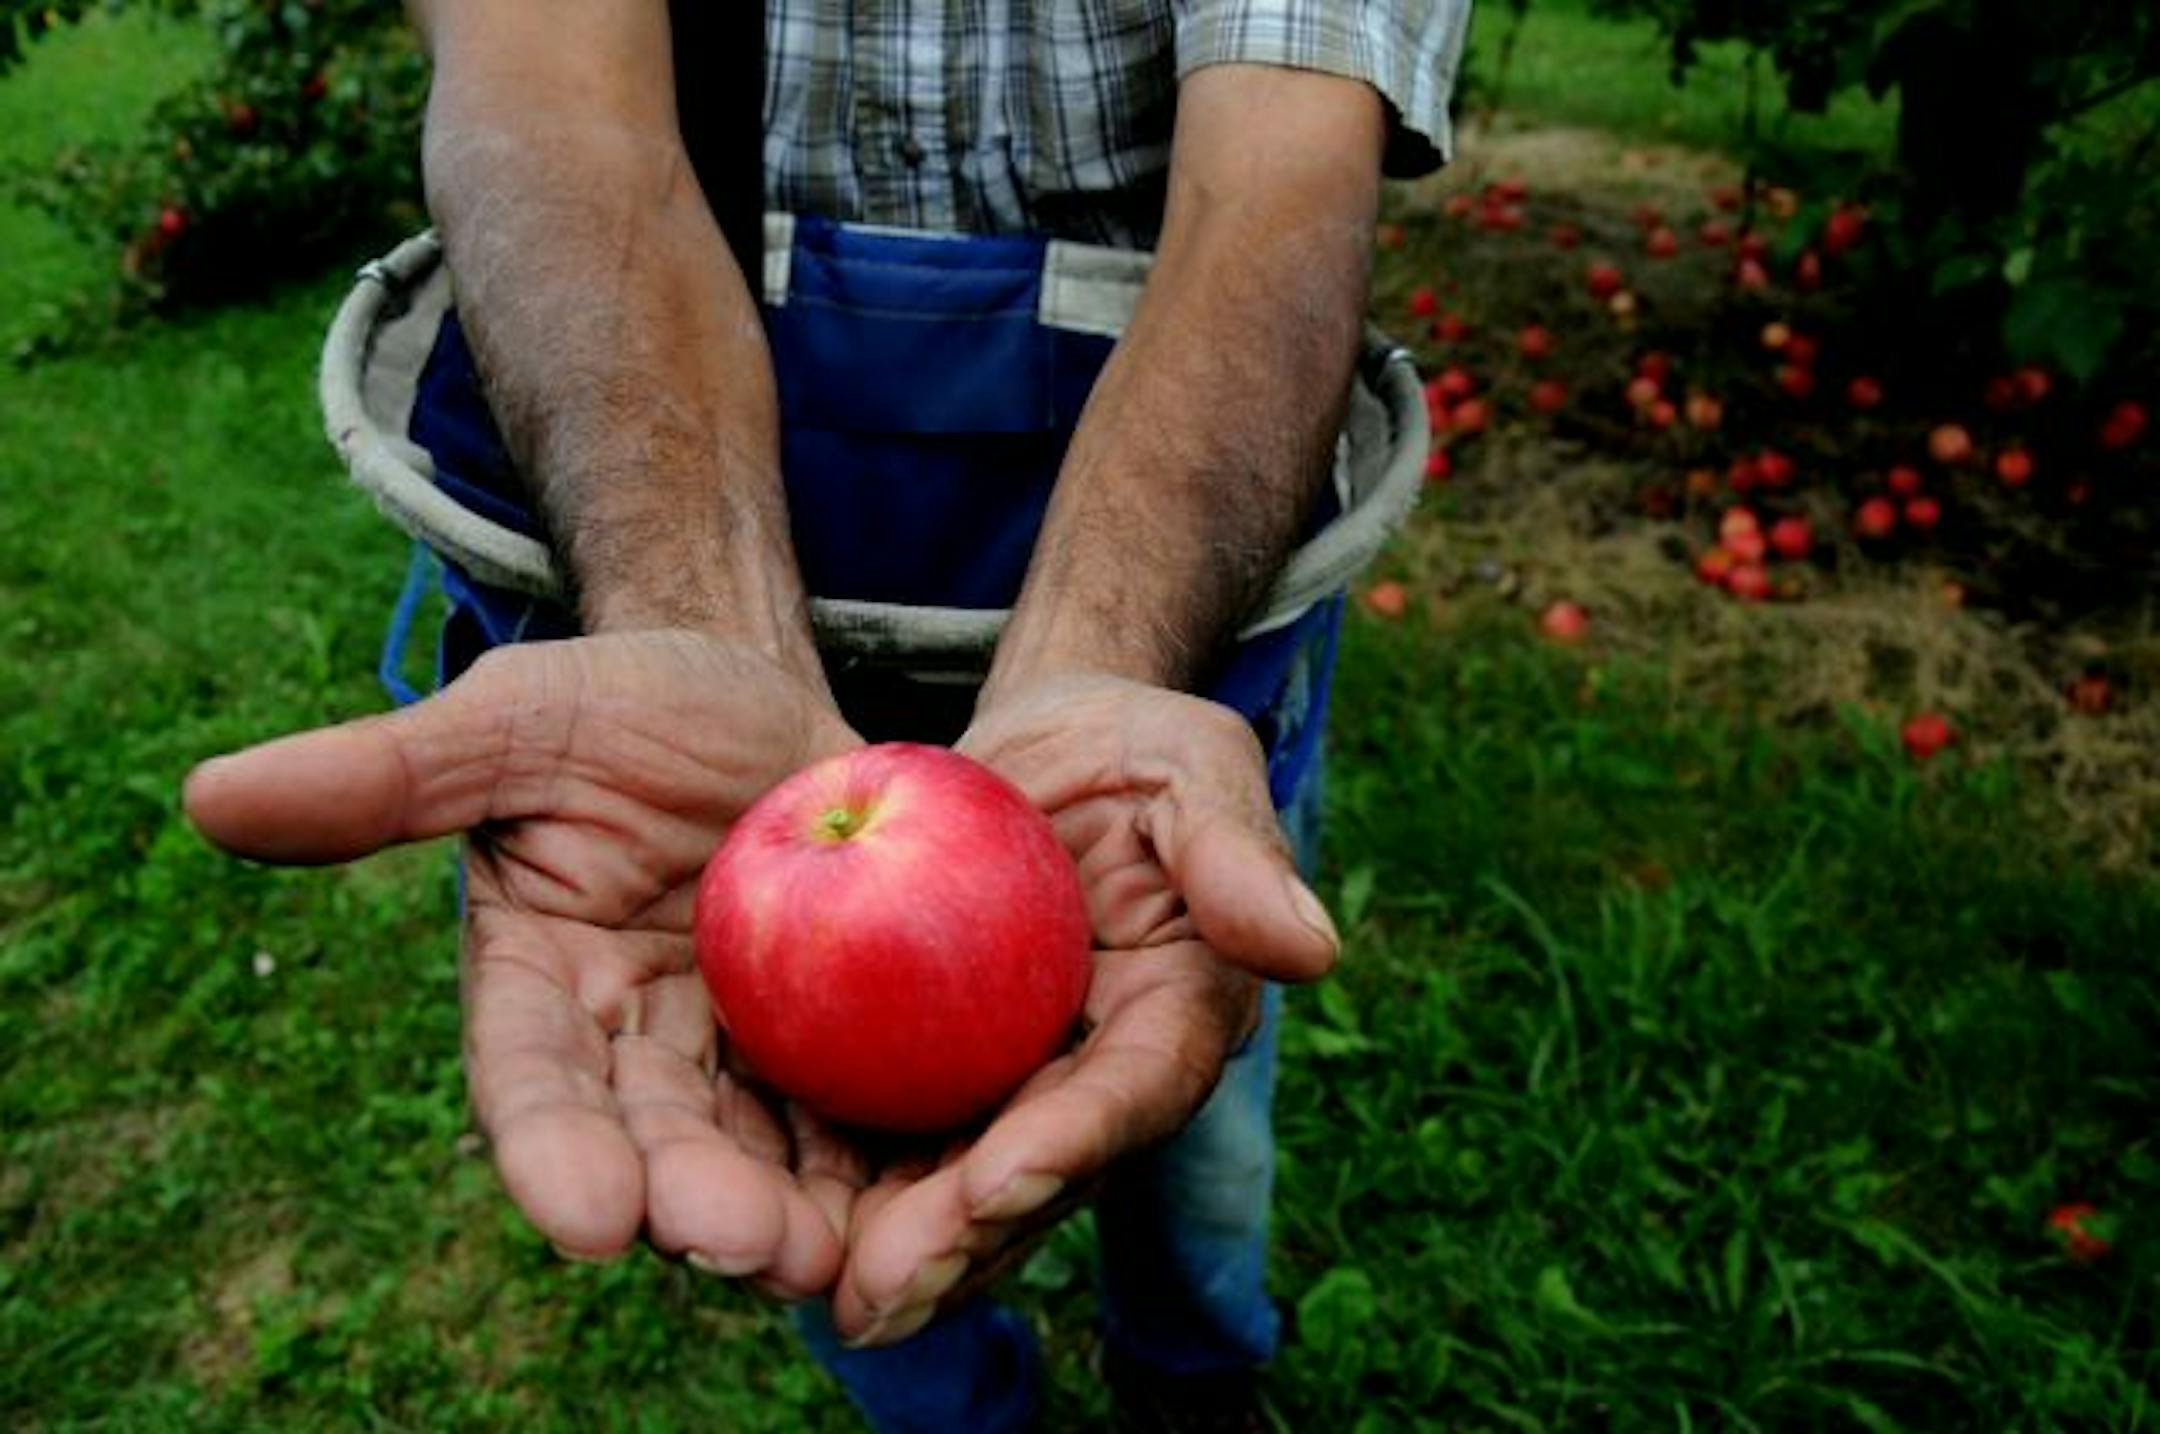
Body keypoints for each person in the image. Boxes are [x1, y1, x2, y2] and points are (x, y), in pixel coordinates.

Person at [184, 2, 1469, 1428]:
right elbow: (552, 101)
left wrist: (1105, 660)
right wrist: (688, 613)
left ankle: (1196, 1366)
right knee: (783, 1094)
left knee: (1191, 1070)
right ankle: (956, 1402)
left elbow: (1273, 184)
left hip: (1174, 569)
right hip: (678, 500)